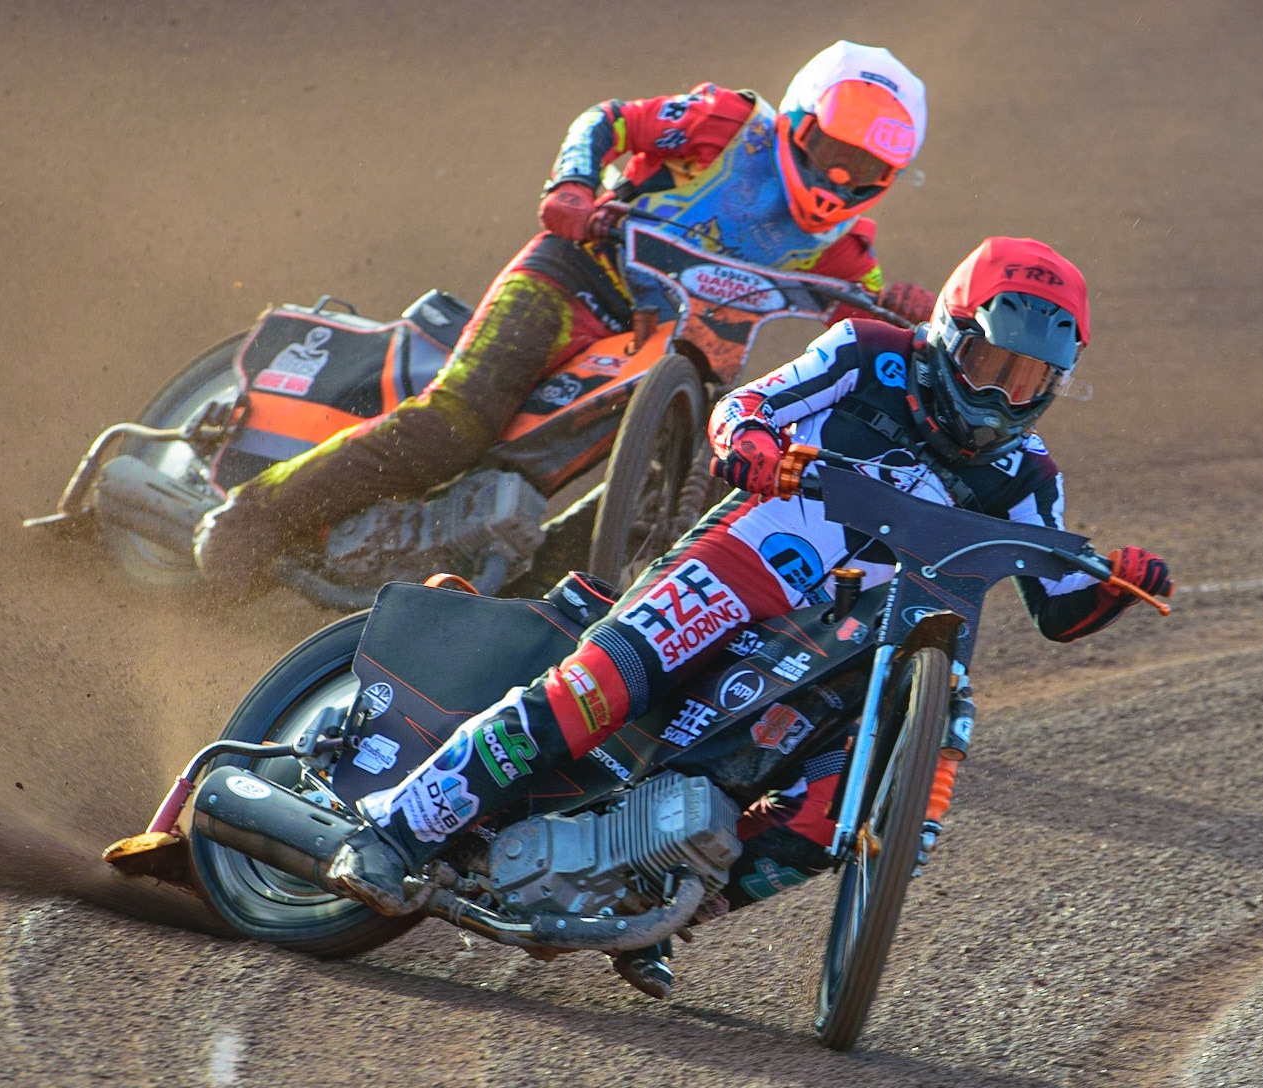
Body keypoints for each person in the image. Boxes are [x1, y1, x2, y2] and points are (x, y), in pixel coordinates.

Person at [324, 235, 1175, 998]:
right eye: (993, 365)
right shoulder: (867, 352)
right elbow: (745, 410)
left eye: (1030, 380)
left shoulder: (1029, 474)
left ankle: (664, 904)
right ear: (953, 334)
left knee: (849, 807)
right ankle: (397, 828)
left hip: (864, 649)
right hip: (743, 566)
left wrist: (1114, 581)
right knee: (593, 693)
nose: (1004, 394)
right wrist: (757, 449)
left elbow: (1060, 606)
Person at [192, 41, 938, 595]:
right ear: (799, 123)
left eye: (867, 171)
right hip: (574, 279)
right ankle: (251, 519)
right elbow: (610, 122)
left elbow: (861, 326)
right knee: (458, 420)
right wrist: (574, 184)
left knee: (700, 479)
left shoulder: (844, 250)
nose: (840, 180)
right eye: (834, 152)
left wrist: (905, 317)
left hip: (666, 361)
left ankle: (532, 610)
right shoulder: (723, 125)